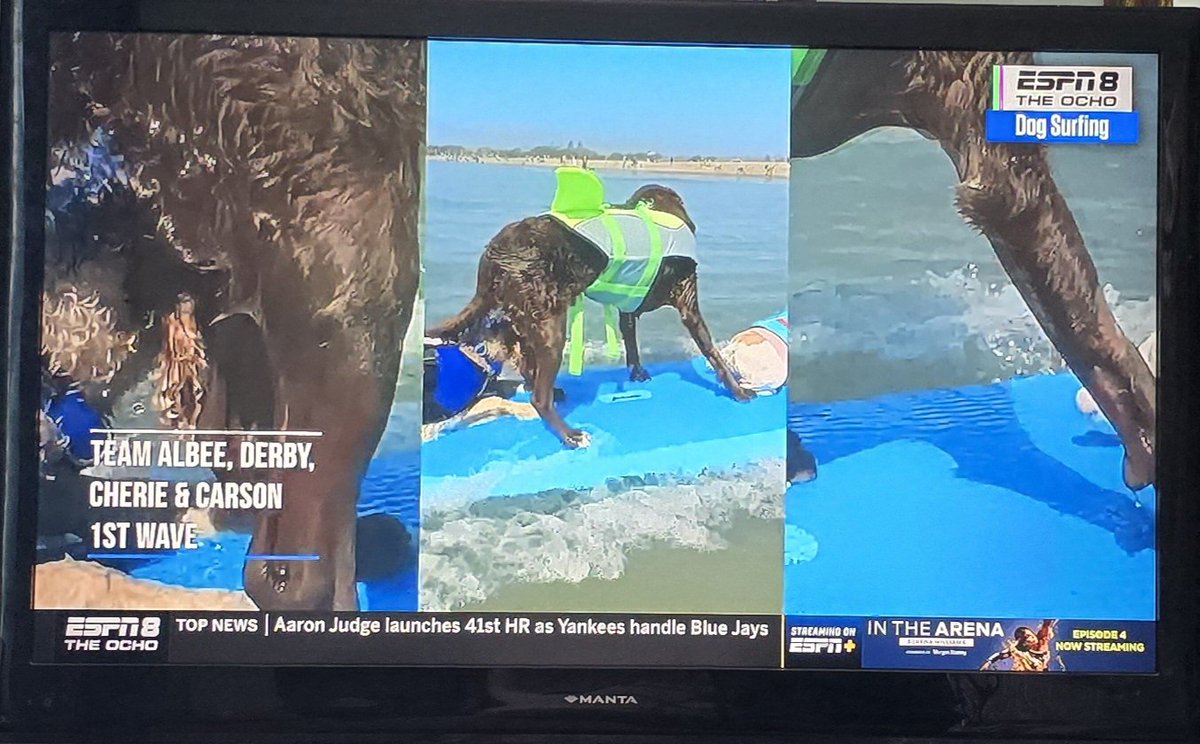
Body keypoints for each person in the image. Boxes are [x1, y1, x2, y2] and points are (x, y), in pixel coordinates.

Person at [979, 620, 1059, 672]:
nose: (1032, 637)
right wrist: (988, 662)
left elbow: (1048, 622)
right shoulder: (1018, 651)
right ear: (1023, 641)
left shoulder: (1042, 639)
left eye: (1031, 634)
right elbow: (1000, 655)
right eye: (1028, 637)